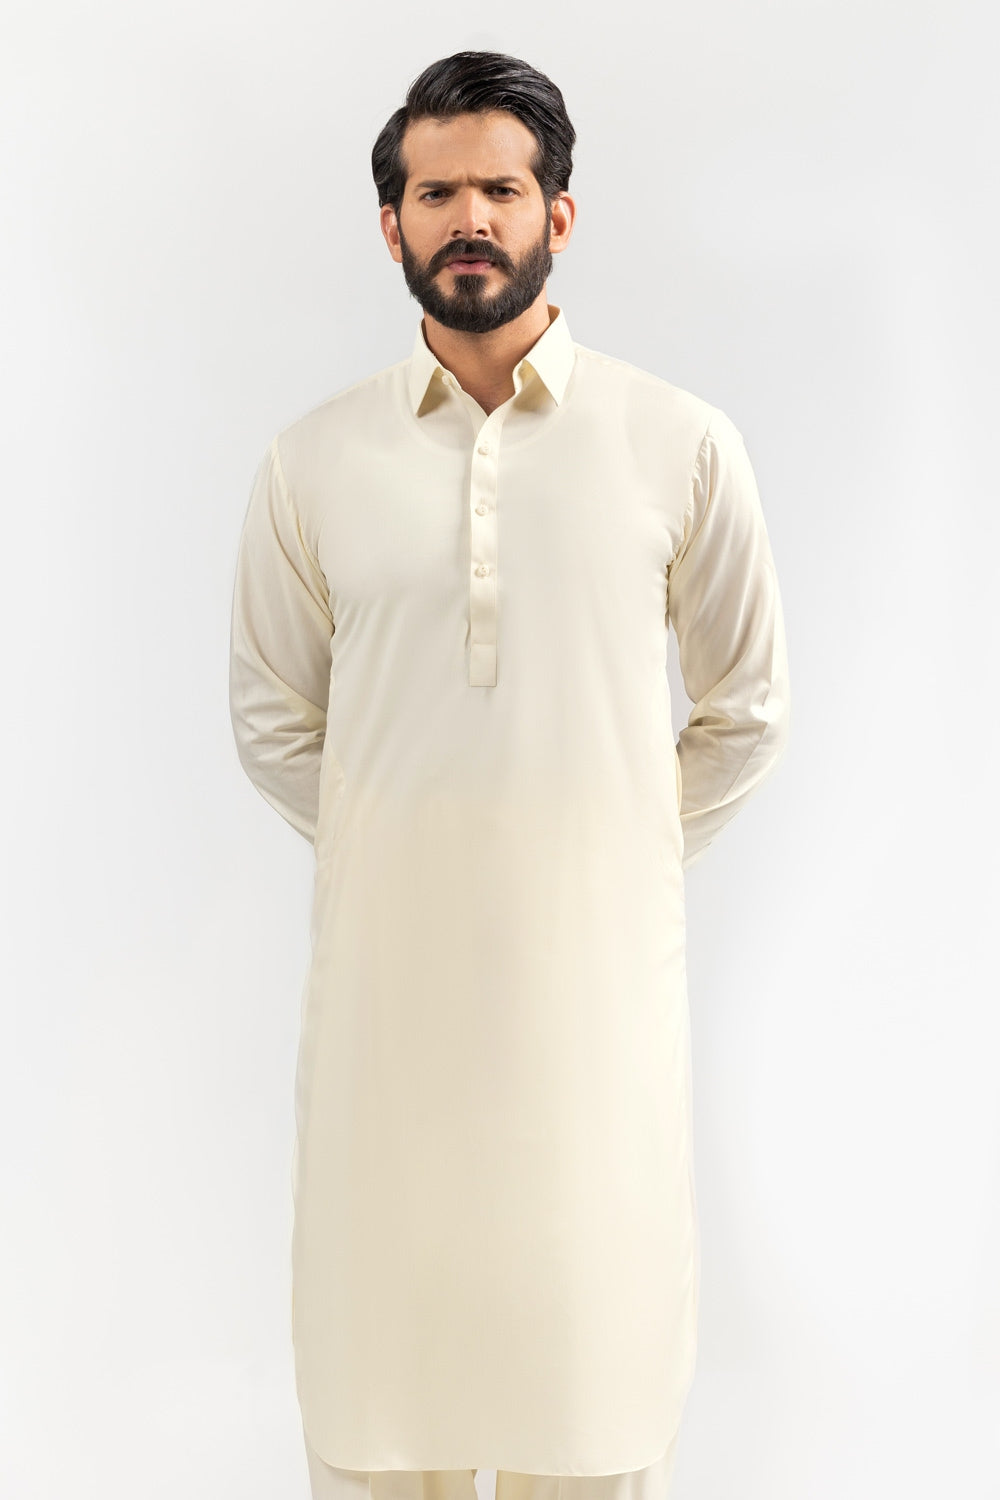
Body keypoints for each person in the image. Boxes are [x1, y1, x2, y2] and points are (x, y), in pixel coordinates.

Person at [228, 48, 791, 1500]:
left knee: (595, 1410)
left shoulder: (679, 445)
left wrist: (612, 847)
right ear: (392, 226)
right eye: (437, 195)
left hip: (594, 1031)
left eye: (501, 189)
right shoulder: (312, 463)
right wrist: (399, 845)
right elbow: (273, 718)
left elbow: (746, 708)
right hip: (386, 1033)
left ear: (560, 215)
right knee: (376, 1410)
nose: (469, 218)